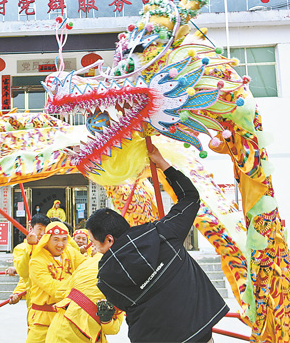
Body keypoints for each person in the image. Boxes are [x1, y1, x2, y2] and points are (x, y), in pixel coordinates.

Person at [87, 146, 229, 343]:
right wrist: (162, 163)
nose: (94, 249)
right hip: (198, 333)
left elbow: (124, 304)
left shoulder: (105, 279)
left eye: (95, 244)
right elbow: (190, 198)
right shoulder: (162, 232)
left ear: (109, 239)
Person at [26, 221, 86, 343]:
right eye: (56, 239)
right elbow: (54, 289)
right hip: (43, 319)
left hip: (68, 317)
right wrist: (77, 283)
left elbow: (87, 269)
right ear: (47, 239)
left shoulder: (70, 252)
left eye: (64, 239)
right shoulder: (37, 260)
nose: (60, 244)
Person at [46, 251, 124, 343]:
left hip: (62, 326)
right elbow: (113, 329)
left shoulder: (89, 262)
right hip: (79, 331)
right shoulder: (128, 276)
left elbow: (60, 292)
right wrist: (106, 320)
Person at [7, 213, 50, 327]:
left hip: (55, 303)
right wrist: (18, 293)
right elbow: (25, 273)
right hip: (36, 304)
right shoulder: (21, 249)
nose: (42, 233)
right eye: (39, 229)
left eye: (45, 230)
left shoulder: (51, 247)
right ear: (31, 228)